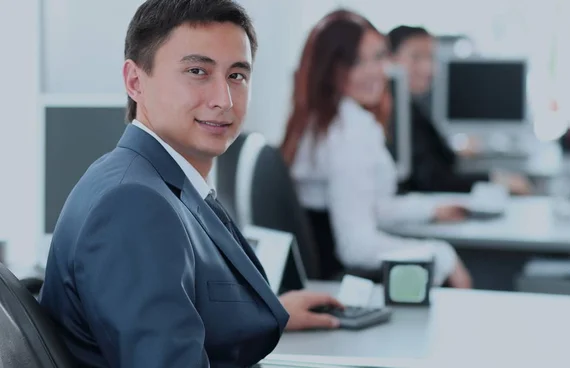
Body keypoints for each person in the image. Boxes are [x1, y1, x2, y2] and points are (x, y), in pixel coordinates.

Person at [38, 1, 343, 367]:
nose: (223, 100)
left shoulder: (156, 180)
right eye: (198, 71)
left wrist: (268, 310)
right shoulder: (133, 205)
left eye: (237, 75)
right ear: (135, 81)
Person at [280, 10, 472, 289]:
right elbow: (356, 247)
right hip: (345, 285)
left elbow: (367, 204)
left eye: (379, 57)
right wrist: (442, 256)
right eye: (357, 62)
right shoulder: (347, 132)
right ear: (331, 68)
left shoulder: (322, 121)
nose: (374, 71)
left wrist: (429, 209)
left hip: (330, 278)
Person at [388, 25, 532, 194]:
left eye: (431, 58)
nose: (428, 68)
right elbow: (433, 179)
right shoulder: (395, 112)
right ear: (390, 59)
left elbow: (432, 162)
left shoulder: (412, 106)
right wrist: (496, 180)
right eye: (416, 57)